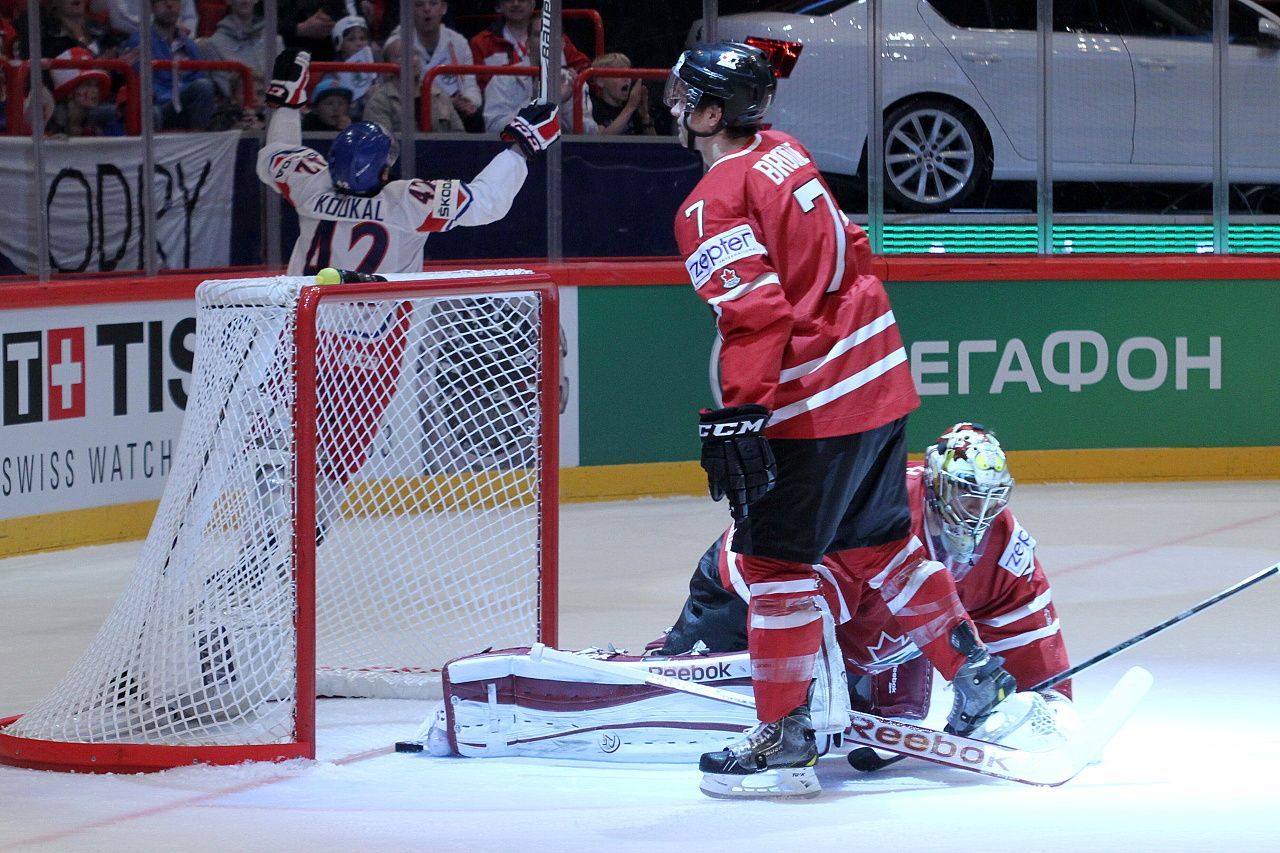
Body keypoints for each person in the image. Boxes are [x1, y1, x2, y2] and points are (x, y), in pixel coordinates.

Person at [663, 41, 1016, 799]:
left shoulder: (707, 204)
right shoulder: (785, 152)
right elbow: (854, 247)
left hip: (815, 404)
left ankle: (785, 739)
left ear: (713, 112)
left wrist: (741, 414)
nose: (676, 104)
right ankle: (978, 676)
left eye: (687, 95)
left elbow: (755, 315)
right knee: (882, 545)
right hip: (879, 379)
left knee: (773, 565)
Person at [422, 424, 1078, 766]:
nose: (977, 512)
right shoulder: (881, 510)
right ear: (932, 486)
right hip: (749, 590)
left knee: (875, 717)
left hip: (858, 634)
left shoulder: (1000, 537)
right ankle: (514, 690)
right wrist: (813, 682)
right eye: (964, 496)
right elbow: (802, 592)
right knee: (677, 692)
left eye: (988, 499)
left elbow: (1024, 613)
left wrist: (1048, 700)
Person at [257, 48, 560, 276]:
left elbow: (277, 152)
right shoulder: (407, 202)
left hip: (306, 336)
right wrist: (522, 147)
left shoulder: (310, 186)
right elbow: (487, 201)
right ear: (384, 171)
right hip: (381, 346)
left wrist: (286, 103)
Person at [382, 0, 480, 132]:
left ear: (444, 8)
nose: (427, 9)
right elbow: (388, 87)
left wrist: (468, 102)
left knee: (475, 118)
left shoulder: (459, 43)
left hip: (455, 112)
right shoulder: (396, 43)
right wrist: (446, 102)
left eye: (433, 4)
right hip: (411, 110)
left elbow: (471, 87)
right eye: (419, 4)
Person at [121, 0, 216, 130]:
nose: (170, 4)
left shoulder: (190, 45)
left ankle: (198, 142)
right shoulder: (138, 43)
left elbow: (201, 78)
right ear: (151, 7)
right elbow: (142, 86)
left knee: (205, 87)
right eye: (162, 0)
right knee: (153, 112)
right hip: (161, 107)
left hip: (188, 105)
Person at [198, 0, 284, 113]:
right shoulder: (213, 45)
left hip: (278, 113)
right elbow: (230, 92)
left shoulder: (275, 40)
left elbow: (284, 85)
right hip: (241, 116)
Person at [46, 46, 123, 136]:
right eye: (87, 84)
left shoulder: (98, 122)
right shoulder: (52, 123)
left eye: (96, 85)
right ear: (69, 92)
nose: (95, 90)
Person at [587, 52, 655, 137]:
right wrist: (630, 107)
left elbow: (654, 145)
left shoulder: (632, 109)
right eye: (620, 74)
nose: (626, 79)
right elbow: (602, 141)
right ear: (600, 81)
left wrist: (645, 116)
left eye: (628, 74)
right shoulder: (592, 107)